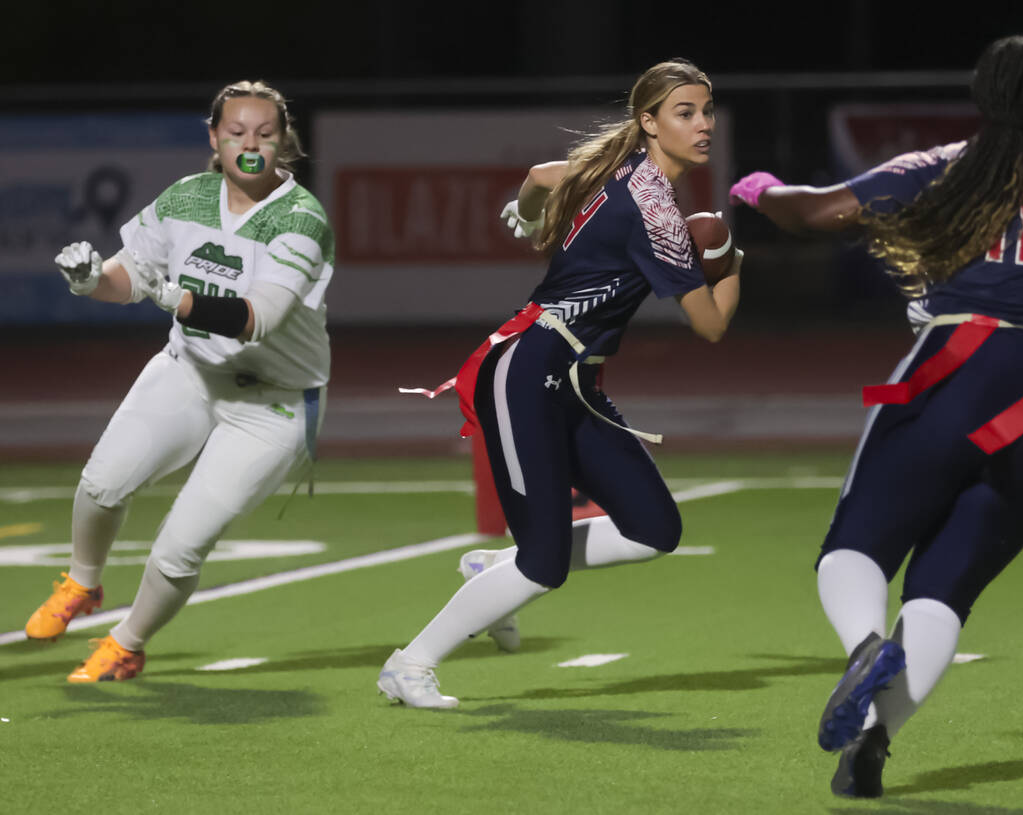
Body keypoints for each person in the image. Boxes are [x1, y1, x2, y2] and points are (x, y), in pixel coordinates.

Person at [730, 36, 1023, 798]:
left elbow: (817, 213)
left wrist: (763, 191)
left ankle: (863, 647)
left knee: (857, 547)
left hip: (959, 369)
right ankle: (871, 744)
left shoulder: (941, 165)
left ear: (982, 96)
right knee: (946, 586)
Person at [379, 59, 741, 708]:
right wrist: (732, 263)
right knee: (542, 563)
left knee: (654, 527)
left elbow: (540, 178)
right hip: (528, 369)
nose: (703, 124)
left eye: (707, 110)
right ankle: (410, 663)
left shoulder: (621, 170)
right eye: (685, 112)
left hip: (575, 383)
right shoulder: (653, 205)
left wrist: (523, 215)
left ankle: (491, 573)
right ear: (649, 122)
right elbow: (711, 324)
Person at [24, 80, 334, 682]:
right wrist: (91, 280)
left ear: (283, 141)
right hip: (188, 371)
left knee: (178, 549)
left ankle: (128, 641)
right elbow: (128, 275)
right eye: (237, 132)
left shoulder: (301, 219)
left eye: (265, 134)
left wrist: (172, 295)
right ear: (214, 138)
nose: (251, 144)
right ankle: (83, 581)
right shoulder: (186, 198)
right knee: (101, 484)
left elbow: (256, 318)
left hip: (270, 405)